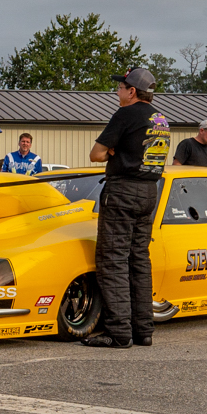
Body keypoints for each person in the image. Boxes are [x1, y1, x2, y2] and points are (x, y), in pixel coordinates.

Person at [85, 66, 170, 349]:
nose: (117, 91)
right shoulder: (160, 118)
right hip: (149, 193)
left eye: (120, 87)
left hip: (122, 191)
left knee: (113, 261)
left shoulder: (125, 114)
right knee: (139, 260)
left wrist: (111, 150)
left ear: (132, 91)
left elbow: (96, 153)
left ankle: (119, 332)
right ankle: (143, 330)